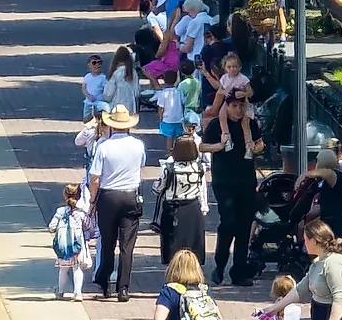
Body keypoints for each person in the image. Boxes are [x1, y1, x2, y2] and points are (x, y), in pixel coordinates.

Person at [205, 88, 266, 284]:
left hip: (246, 180)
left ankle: (238, 271)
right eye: (234, 106)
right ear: (227, 106)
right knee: (228, 222)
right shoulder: (217, 125)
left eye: (241, 106)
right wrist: (219, 146)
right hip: (224, 181)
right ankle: (220, 264)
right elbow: (203, 146)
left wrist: (256, 148)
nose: (238, 110)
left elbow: (260, 143)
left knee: (244, 225)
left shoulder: (249, 124)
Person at [89, 104, 150, 299]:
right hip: (131, 195)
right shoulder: (138, 145)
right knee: (127, 245)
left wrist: (91, 201)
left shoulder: (104, 146)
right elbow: (141, 165)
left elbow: (95, 178)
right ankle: (123, 287)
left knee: (108, 242)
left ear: (112, 125)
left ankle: (104, 282)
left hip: (108, 197)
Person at [159, 133, 213, 270]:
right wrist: (204, 206)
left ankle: (174, 274)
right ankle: (192, 273)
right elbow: (202, 188)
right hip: (193, 208)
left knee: (173, 246)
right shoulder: (199, 168)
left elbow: (157, 189)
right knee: (192, 246)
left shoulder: (170, 168)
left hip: (173, 209)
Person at [50, 184, 90, 300]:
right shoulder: (81, 212)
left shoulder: (60, 211)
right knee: (77, 268)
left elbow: (52, 226)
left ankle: (61, 292)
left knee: (63, 269)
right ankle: (78, 293)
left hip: (63, 245)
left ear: (65, 195)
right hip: (77, 244)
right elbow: (88, 226)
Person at [156, 71, 188, 141]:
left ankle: (169, 151)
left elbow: (161, 108)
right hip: (178, 119)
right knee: (178, 138)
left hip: (167, 119)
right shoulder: (179, 92)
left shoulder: (163, 93)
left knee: (169, 137)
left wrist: (160, 118)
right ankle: (177, 150)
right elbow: (183, 103)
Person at [83, 54, 110, 120]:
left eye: (99, 63)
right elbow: (84, 87)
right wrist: (88, 95)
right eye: (94, 63)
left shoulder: (103, 78)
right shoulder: (87, 76)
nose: (97, 65)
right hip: (88, 102)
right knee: (86, 119)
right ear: (89, 65)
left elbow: (106, 90)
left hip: (99, 102)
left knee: (100, 119)